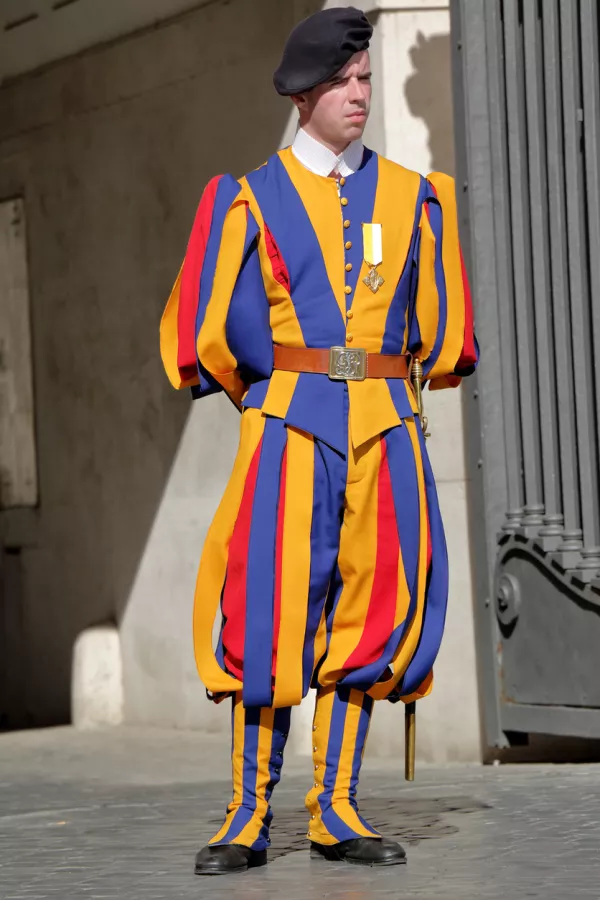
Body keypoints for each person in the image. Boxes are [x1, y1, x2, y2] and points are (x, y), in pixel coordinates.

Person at [160, 6, 478, 876]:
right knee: (267, 611)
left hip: (388, 429)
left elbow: (439, 336)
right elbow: (208, 333)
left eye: (364, 78)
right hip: (289, 429)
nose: (358, 94)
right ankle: (247, 814)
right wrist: (271, 402)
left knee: (370, 615)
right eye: (341, 81)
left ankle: (336, 808)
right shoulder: (248, 199)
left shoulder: (415, 197)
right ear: (301, 95)